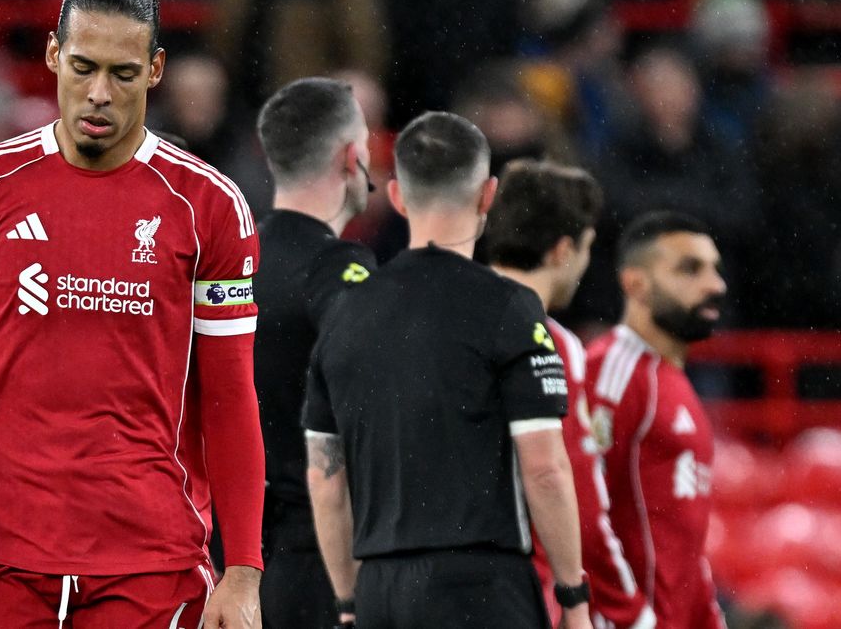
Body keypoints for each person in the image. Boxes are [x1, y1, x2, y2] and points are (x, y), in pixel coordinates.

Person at [0, 0, 264, 629]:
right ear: (51, 55)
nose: (99, 94)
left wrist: (242, 568)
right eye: (83, 67)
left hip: (153, 563)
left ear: (155, 71)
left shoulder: (208, 206)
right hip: (3, 555)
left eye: (123, 74)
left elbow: (229, 397)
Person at [303, 112, 592, 629]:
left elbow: (326, 479)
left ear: (397, 196)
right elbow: (545, 468)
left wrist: (348, 602)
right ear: (487, 195)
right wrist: (573, 595)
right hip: (481, 587)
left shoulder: (343, 314)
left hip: (380, 589)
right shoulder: (508, 307)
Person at [481, 159, 655, 629]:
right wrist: (630, 614)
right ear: (563, 250)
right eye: (587, 248)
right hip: (517, 594)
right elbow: (574, 497)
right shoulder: (551, 344)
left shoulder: (437, 324)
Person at [253, 77, 377, 629]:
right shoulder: (337, 270)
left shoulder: (228, 259)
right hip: (319, 558)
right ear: (352, 158)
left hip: (229, 551)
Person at [585, 211, 728, 629]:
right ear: (636, 284)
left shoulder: (673, 382)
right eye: (691, 269)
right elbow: (580, 513)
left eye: (715, 269)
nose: (715, 285)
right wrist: (631, 619)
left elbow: (686, 546)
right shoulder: (611, 372)